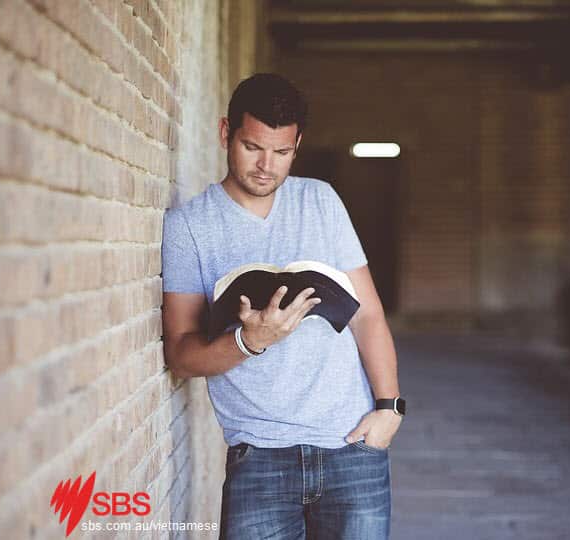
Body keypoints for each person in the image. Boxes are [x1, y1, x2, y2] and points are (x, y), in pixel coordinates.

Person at [160, 73, 404, 539]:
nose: (266, 166)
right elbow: (182, 353)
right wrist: (249, 343)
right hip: (260, 459)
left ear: (298, 146)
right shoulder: (189, 226)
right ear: (224, 132)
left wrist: (390, 408)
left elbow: (367, 314)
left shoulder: (321, 202)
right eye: (252, 147)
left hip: (352, 446)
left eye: (282, 152)